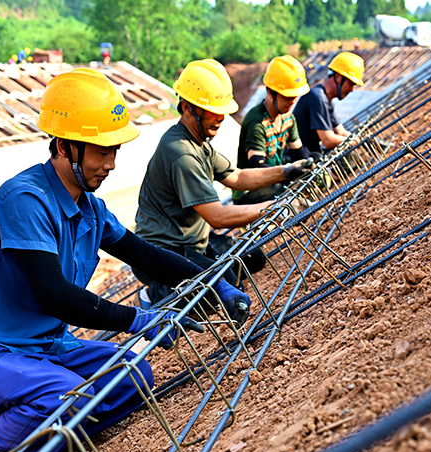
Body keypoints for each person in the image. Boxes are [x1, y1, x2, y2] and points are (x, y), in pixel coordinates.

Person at [0, 68, 250, 452]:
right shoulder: (24, 200)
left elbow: (144, 254)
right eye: (102, 151)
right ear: (65, 147)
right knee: (64, 394)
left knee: (134, 376)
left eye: (115, 150)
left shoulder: (89, 207)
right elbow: (54, 296)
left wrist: (213, 282)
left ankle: (52, 429)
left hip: (41, 347)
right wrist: (137, 319)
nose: (111, 163)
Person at [133, 59, 312, 306]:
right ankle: (155, 296)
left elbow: (237, 177)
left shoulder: (199, 143)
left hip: (191, 242)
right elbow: (217, 217)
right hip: (162, 253)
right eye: (213, 111)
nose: (221, 118)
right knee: (222, 288)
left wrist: (286, 171)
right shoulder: (181, 153)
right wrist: (274, 208)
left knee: (252, 258)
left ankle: (188, 288)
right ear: (187, 108)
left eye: (223, 111)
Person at [234, 55, 311, 205]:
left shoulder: (287, 117)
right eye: (287, 96)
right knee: (290, 197)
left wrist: (310, 167)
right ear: (270, 93)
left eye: (295, 96)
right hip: (251, 190)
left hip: (275, 176)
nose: (293, 101)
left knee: (313, 158)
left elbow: (299, 152)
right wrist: (287, 174)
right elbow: (257, 164)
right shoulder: (256, 121)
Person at [293, 51, 364, 154]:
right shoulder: (317, 98)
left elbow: (340, 131)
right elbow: (328, 140)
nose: (351, 89)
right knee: (349, 157)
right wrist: (355, 142)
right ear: (338, 77)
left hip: (312, 153)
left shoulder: (327, 101)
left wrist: (361, 139)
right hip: (300, 158)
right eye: (351, 83)